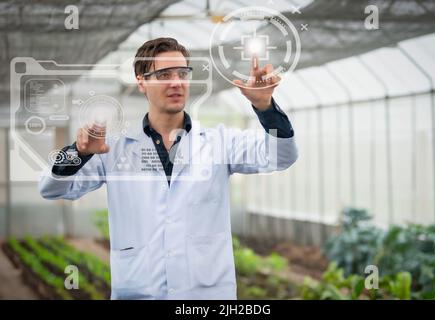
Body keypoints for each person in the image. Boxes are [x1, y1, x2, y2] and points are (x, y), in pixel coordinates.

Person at [39, 37, 298, 299]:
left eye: (182, 73)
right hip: (139, 292)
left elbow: (280, 156)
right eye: (164, 74)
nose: (176, 82)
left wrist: (265, 109)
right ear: (141, 81)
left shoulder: (220, 142)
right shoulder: (114, 150)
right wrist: (78, 153)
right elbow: (52, 188)